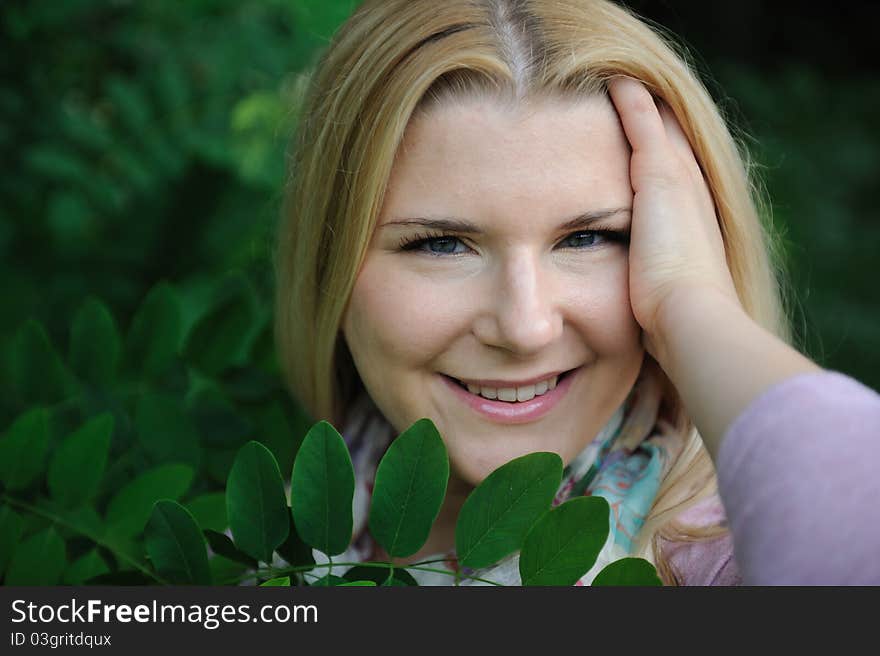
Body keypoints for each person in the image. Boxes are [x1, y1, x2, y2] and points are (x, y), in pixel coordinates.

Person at [274, 0, 880, 585]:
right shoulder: (281, 543)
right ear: (331, 266)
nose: (525, 326)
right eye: (441, 244)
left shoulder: (721, 560)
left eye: (589, 237)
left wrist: (690, 305)